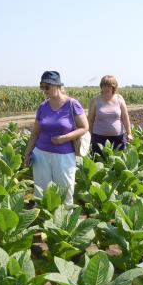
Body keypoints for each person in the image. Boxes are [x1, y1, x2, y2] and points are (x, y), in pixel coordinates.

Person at [24, 71, 89, 204]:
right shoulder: (43, 106)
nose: (44, 90)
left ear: (57, 86)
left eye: (47, 87)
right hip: (41, 155)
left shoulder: (72, 104)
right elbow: (35, 133)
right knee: (41, 192)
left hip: (64, 155)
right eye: (42, 87)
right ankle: (42, 216)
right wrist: (27, 153)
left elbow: (84, 127)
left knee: (65, 191)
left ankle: (65, 217)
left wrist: (64, 138)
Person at [88, 75, 132, 156]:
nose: (106, 88)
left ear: (113, 87)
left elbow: (125, 118)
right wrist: (89, 135)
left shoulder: (119, 99)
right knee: (99, 161)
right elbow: (90, 120)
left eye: (109, 86)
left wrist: (129, 133)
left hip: (118, 138)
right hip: (99, 138)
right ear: (101, 87)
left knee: (118, 161)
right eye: (104, 86)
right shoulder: (95, 100)